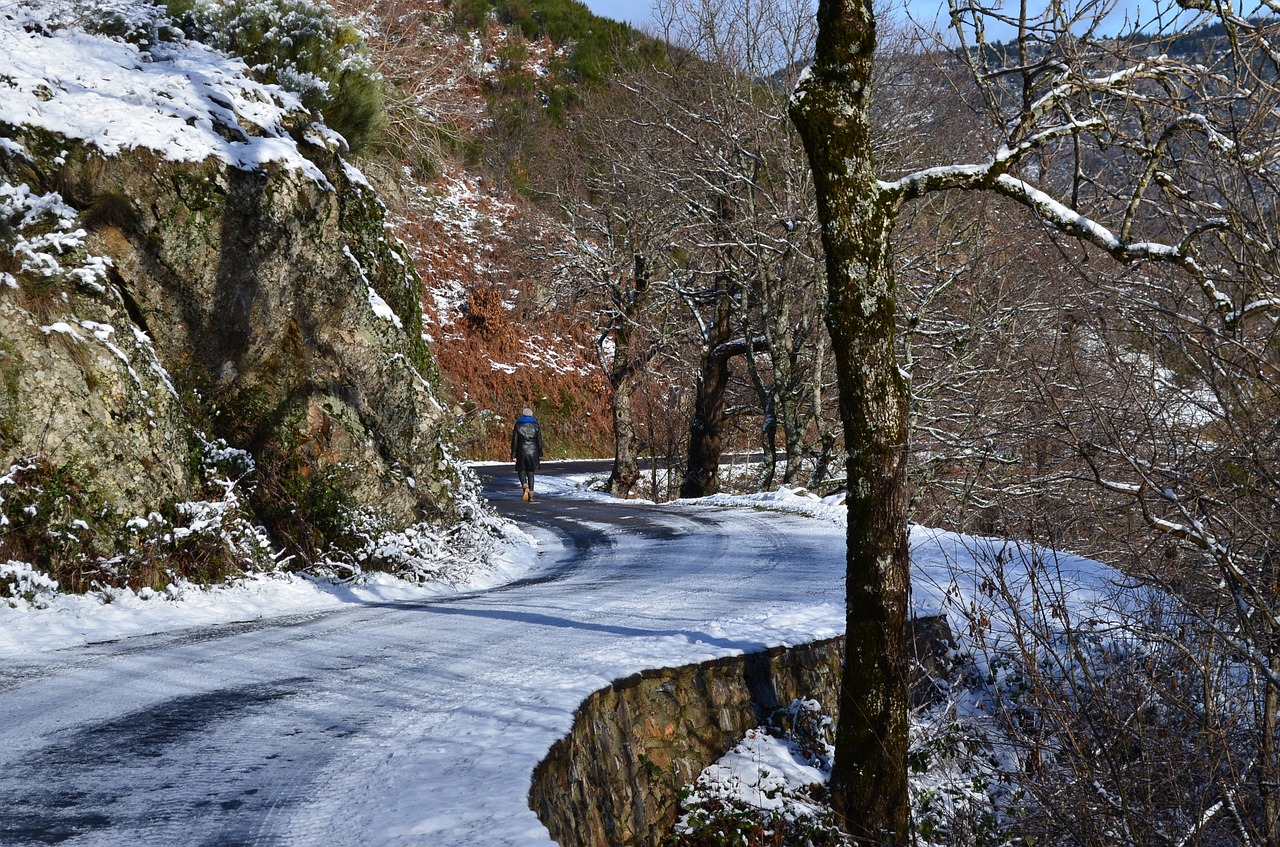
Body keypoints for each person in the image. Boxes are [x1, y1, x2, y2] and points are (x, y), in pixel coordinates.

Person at [511, 407, 543, 502]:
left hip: (521, 450)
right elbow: (539, 441)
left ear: (523, 415)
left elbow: (515, 441)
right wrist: (540, 453)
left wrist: (513, 454)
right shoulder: (536, 425)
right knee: (530, 472)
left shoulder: (518, 425)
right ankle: (531, 494)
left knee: (521, 470)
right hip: (533, 451)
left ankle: (525, 485)